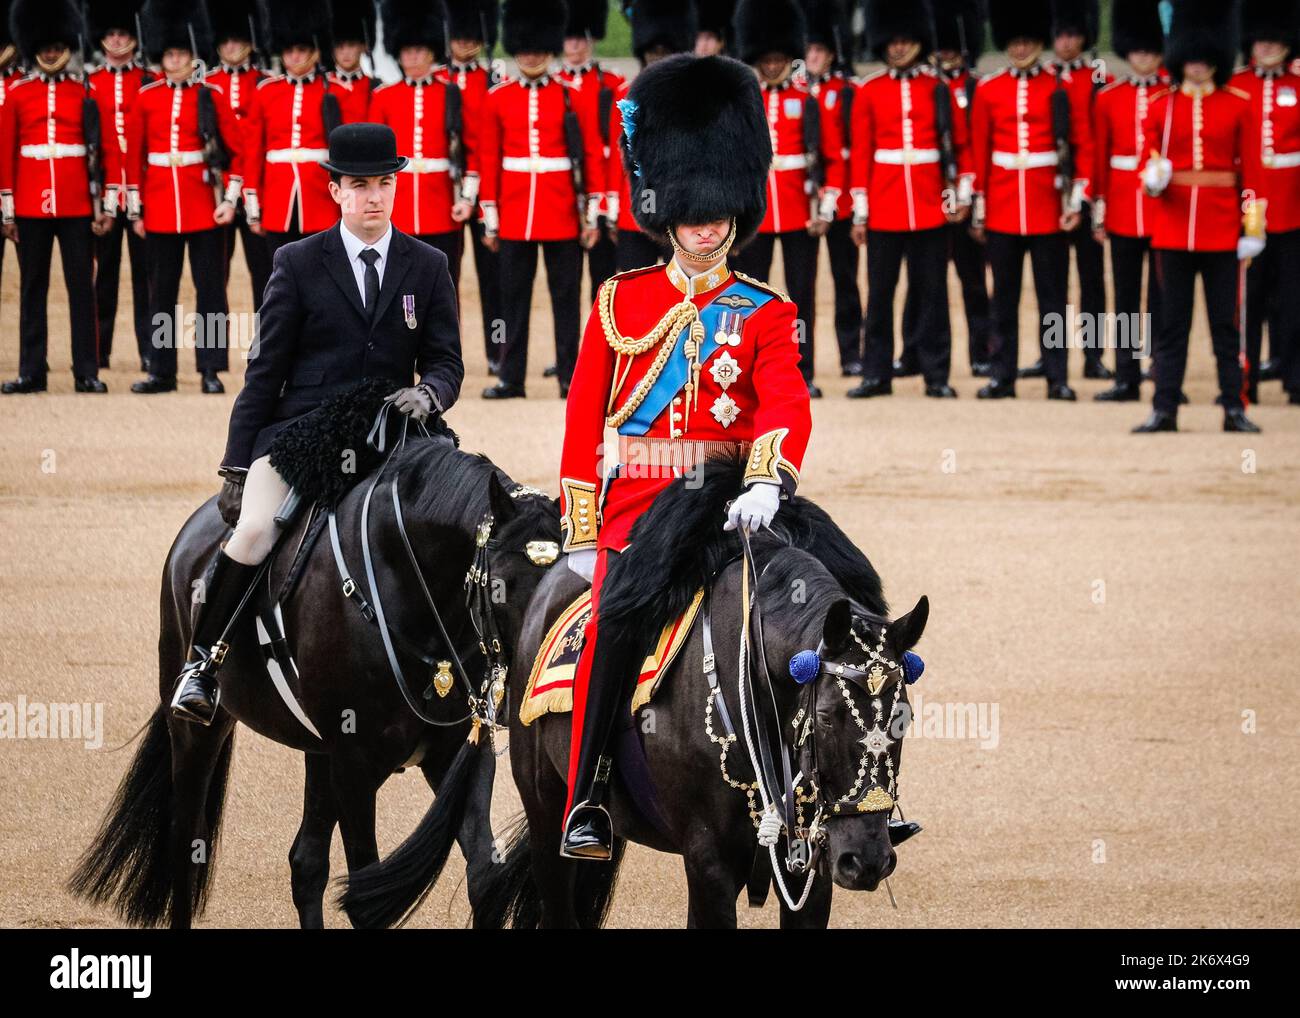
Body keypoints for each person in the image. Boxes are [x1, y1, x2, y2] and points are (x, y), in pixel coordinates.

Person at [557, 53, 811, 859]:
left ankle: (823, 791)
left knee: (835, 600)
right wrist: (586, 524)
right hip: (637, 508)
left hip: (736, 499)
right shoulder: (618, 300)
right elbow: (580, 420)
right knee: (613, 623)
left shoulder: (766, 311)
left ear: (739, 208)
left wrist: (769, 479)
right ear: (663, 213)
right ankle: (588, 795)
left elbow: (786, 401)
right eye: (691, 213)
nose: (705, 227)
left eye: (718, 212)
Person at [170, 123, 464, 725]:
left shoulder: (429, 264)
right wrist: (236, 462)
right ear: (335, 191)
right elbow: (264, 370)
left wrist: (429, 394)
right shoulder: (297, 262)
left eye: (386, 183)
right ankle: (201, 664)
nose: (375, 197)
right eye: (361, 185)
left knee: (462, 521)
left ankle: (472, 669)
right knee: (253, 532)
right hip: (306, 434)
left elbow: (447, 361)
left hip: (396, 430)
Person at [1132, 1, 1263, 434]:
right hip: (1173, 230)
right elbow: (1146, 163)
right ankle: (1164, 407)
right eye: (1191, 58)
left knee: (1227, 327)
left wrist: (1252, 226)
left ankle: (1234, 406)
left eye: (1206, 60)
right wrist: (1153, 178)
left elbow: (1251, 174)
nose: (1198, 67)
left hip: (1224, 231)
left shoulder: (1238, 105)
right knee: (1172, 327)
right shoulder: (1159, 106)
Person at [478, 0, 603, 400]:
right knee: (513, 298)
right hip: (515, 215)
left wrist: (592, 215)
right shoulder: (498, 97)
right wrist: (490, 218)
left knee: (565, 299)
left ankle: (570, 376)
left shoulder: (572, 95)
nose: (531, 55)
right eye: (525, 48)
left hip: (562, 213)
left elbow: (588, 159)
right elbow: (489, 160)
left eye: (537, 48)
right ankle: (511, 376)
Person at [970, 0, 1092, 401]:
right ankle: (1002, 374)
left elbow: (1081, 146)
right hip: (1004, 208)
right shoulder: (990, 90)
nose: (1020, 49)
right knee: (1002, 298)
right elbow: (979, 151)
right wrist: (980, 206)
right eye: (1014, 42)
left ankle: (1057, 375)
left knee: (1053, 299)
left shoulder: (1062, 87)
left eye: (1027, 41)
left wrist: (1075, 201)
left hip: (1048, 208)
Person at [848, 0, 968, 401]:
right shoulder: (869, 91)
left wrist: (956, 197)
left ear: (919, 42)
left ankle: (936, 374)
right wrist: (861, 211)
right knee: (880, 295)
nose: (898, 48)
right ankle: (875, 373)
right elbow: (862, 152)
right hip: (884, 207)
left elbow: (957, 148)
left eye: (905, 41)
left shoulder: (937, 89)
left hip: (930, 205)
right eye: (892, 41)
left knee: (933, 294)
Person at [126, 0, 243, 396]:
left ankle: (210, 368)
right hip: (159, 206)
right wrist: (136, 209)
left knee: (210, 290)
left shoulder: (211, 96)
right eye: (170, 54)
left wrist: (229, 198)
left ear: (193, 55)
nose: (175, 59)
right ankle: (162, 370)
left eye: (181, 53)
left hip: (202, 206)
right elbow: (135, 158)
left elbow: (235, 152)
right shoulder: (146, 97)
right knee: (162, 293)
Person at [729, 0, 840, 399]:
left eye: (779, 58)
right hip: (754, 215)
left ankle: (801, 371)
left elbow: (826, 157)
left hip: (798, 211)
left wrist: (825, 206)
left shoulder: (806, 97)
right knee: (747, 299)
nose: (773, 65)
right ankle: (743, 372)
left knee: (800, 296)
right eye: (766, 59)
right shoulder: (742, 100)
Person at [0, 0, 108, 394]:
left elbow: (102, 151)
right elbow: (7, 153)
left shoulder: (85, 91)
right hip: (30, 204)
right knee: (33, 288)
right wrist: (8, 209)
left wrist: (102, 204)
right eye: (43, 45)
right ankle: (32, 370)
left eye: (55, 44)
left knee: (82, 287)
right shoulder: (16, 94)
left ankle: (87, 370)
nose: (49, 51)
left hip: (76, 202)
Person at [900, 0, 993, 378]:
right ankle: (912, 352)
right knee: (921, 283)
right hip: (929, 200)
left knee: (972, 282)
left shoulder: (974, 87)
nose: (947, 53)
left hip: (962, 197)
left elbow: (971, 147)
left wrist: (968, 199)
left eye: (952, 47)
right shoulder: (929, 87)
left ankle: (981, 352)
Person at [1091, 0, 1167, 403]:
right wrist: (1099, 211)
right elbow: (1100, 159)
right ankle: (1125, 375)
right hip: (1121, 208)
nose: (1143, 58)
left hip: (1162, 211)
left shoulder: (1172, 95)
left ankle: (1160, 370)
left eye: (1150, 51)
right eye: (1137, 51)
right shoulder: (1109, 97)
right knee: (1124, 299)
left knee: (1160, 296)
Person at [1032, 0, 1112, 382]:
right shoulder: (1043, 78)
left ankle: (1095, 355)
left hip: (1092, 194)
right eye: (1061, 35)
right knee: (1053, 282)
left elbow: (1100, 141)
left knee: (1093, 280)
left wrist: (1091, 193)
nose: (1065, 42)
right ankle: (1052, 353)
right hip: (1054, 195)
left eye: (1073, 35)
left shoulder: (1098, 79)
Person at [370, 0, 473, 276]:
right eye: (407, 51)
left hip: (441, 206)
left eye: (419, 50)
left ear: (432, 52)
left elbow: (470, 149)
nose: (412, 57)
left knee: (444, 283)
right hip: (398, 206)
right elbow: (376, 155)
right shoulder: (384, 97)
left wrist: (466, 196)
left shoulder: (451, 94)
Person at [1230, 0, 1300, 405]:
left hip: (1293, 206)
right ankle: (1246, 380)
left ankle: (1294, 377)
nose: (1268, 46)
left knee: (1293, 300)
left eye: (1276, 40)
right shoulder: (1238, 85)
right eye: (1261, 39)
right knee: (1249, 302)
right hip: (1251, 207)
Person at [243, 0, 344, 256]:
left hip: (321, 197)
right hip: (278, 198)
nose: (295, 56)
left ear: (315, 51)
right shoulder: (266, 92)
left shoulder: (335, 90)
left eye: (301, 49)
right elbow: (254, 149)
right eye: (289, 51)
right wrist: (253, 202)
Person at [88, 0, 155, 373]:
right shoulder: (91, 83)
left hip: (143, 193)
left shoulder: (147, 82)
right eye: (111, 35)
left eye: (123, 34)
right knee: (104, 277)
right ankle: (99, 350)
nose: (116, 41)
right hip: (106, 194)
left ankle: (149, 351)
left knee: (147, 278)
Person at [605, 0, 696, 273]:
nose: (657, 59)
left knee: (682, 295)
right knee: (633, 292)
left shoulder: (694, 95)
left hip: (678, 210)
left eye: (664, 52)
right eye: (653, 53)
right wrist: (611, 206)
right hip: (634, 210)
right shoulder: (624, 93)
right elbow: (617, 156)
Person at [439, 0, 503, 371]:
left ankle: (497, 351)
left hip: (484, 194)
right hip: (441, 191)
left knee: (493, 282)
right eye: (458, 36)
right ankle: (445, 350)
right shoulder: (437, 80)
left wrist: (473, 189)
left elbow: (489, 144)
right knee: (443, 279)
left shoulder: (492, 82)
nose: (464, 43)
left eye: (470, 36)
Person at [801, 0, 862, 378]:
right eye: (809, 50)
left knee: (845, 280)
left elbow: (852, 148)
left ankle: (851, 353)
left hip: (839, 199)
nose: (813, 57)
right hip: (805, 200)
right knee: (802, 285)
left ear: (832, 54)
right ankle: (802, 358)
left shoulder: (847, 91)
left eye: (820, 51)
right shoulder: (796, 93)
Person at [204, 0, 273, 313]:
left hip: (258, 191)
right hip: (217, 192)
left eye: (238, 40)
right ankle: (212, 357)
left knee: (267, 277)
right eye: (226, 41)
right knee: (214, 277)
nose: (231, 47)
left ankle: (267, 351)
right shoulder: (207, 85)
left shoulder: (266, 83)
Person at [559, 1, 624, 298]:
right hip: (567, 194)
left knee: (604, 281)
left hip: (602, 192)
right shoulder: (555, 86)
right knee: (566, 284)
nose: (574, 45)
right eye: (569, 38)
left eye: (580, 38)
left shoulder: (610, 83)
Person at [329, 0, 379, 124]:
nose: (345, 52)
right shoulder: (323, 86)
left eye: (351, 45)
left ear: (363, 47)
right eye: (340, 46)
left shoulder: (376, 87)